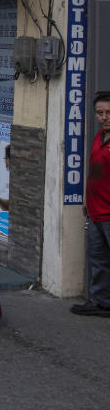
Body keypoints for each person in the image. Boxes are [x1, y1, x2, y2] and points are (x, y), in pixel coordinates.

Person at [72, 92, 110, 317]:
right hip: (95, 211)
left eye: (108, 113)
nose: (104, 117)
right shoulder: (99, 137)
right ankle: (101, 302)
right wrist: (88, 201)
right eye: (100, 113)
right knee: (98, 259)